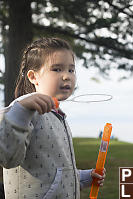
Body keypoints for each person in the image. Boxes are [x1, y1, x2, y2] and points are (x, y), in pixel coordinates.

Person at [0, 37, 105, 199]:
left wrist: (84, 177)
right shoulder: (22, 109)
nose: (66, 76)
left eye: (71, 70)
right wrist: (20, 112)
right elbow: (7, 157)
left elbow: (54, 171)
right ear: (33, 77)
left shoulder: (58, 115)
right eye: (57, 69)